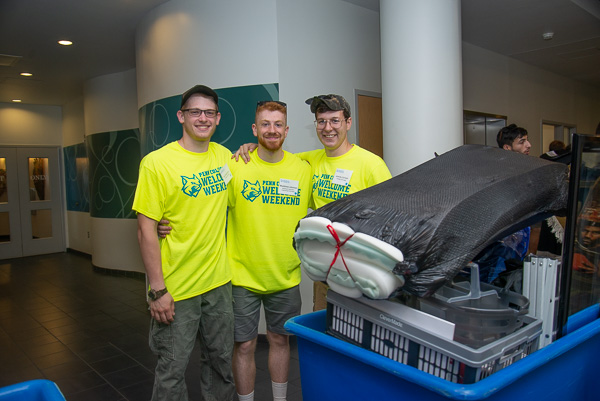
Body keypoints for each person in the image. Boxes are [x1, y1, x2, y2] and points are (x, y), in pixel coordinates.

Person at [159, 101, 311, 401]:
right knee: (244, 345)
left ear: (287, 130)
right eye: (265, 124)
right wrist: (162, 221)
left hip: (286, 275)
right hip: (241, 276)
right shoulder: (234, 165)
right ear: (254, 129)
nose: (271, 130)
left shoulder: (303, 169)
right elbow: (204, 201)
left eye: (278, 124)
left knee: (281, 341)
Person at [234, 94, 392, 309]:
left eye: (335, 120)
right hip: (326, 270)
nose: (328, 128)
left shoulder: (371, 165)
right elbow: (275, 155)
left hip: (361, 269)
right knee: (323, 329)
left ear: (348, 123)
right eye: (321, 121)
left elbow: (392, 218)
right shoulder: (309, 161)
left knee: (354, 333)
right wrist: (253, 146)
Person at [132, 84, 236, 401]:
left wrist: (247, 148)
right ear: (181, 116)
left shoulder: (224, 157)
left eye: (209, 113)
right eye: (195, 112)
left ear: (218, 119)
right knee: (172, 371)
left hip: (218, 283)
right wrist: (157, 290)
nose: (202, 118)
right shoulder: (156, 163)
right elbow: (145, 230)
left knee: (220, 365)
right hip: (176, 289)